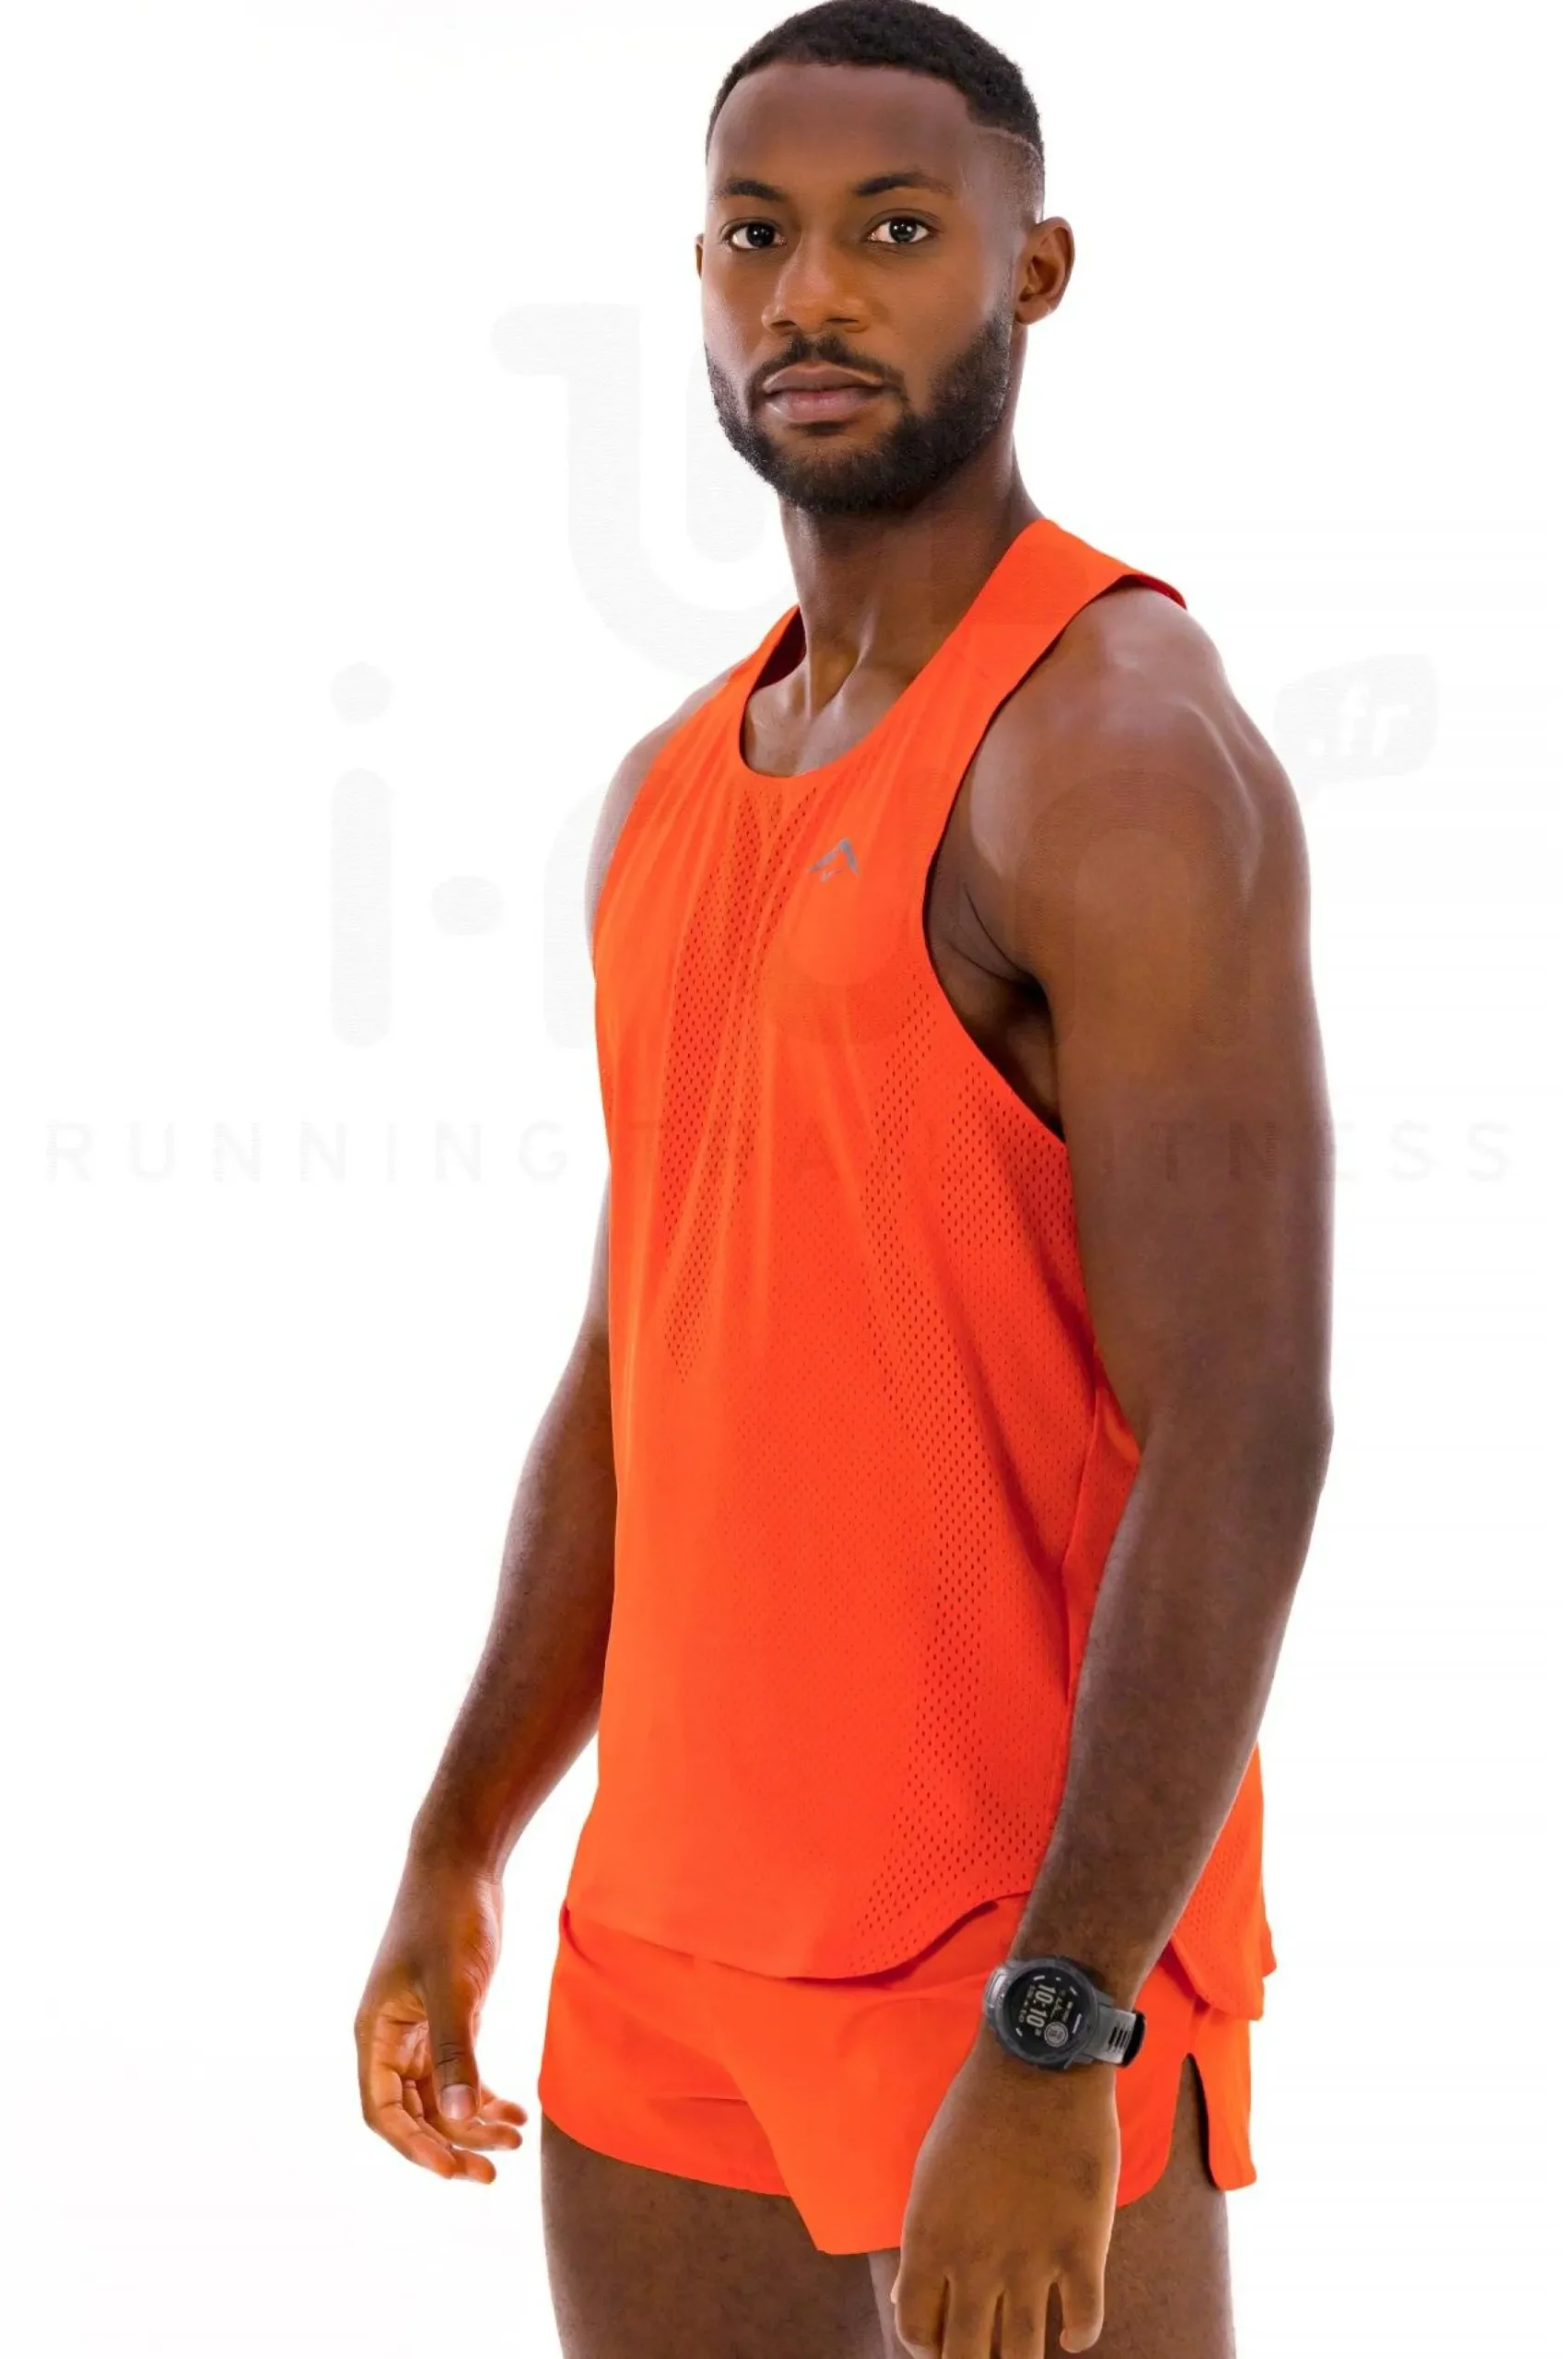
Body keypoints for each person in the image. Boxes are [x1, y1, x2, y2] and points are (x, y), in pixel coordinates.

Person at [354, 5, 1334, 2353]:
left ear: (1031, 270)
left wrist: (1061, 2024)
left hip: (1003, 1954)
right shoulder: (666, 780)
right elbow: (637, 1360)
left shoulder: (1111, 751)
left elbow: (1244, 1427)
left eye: (894, 233)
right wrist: (462, 1828)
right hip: (668, 1948)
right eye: (753, 237)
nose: (809, 296)